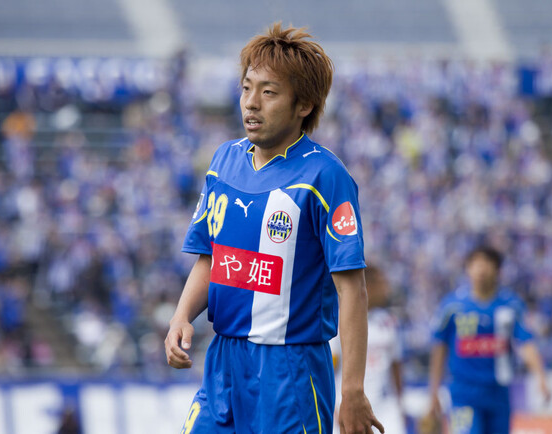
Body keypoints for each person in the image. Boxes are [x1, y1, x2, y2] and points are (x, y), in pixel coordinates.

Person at [164, 23, 383, 434]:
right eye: (247, 88)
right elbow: (211, 257)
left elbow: (352, 289)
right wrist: (181, 317)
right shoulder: (224, 161)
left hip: (290, 372)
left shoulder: (325, 176)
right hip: (224, 363)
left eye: (268, 92)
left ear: (304, 105)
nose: (251, 103)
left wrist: (353, 389)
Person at [425, 245, 550, 434]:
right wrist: (433, 391)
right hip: (463, 394)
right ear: (468, 269)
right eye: (475, 264)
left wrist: (540, 377)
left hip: (498, 394)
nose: (481, 269)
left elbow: (526, 343)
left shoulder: (511, 305)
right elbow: (439, 348)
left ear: (498, 270)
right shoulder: (452, 306)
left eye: (486, 263)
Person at [332, 265, 406, 434]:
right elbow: (330, 368)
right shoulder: (339, 321)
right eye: (382, 283)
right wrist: (333, 407)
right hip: (347, 405)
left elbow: (396, 366)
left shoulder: (389, 322)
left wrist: (400, 403)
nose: (386, 289)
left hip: (385, 407)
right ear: (368, 285)